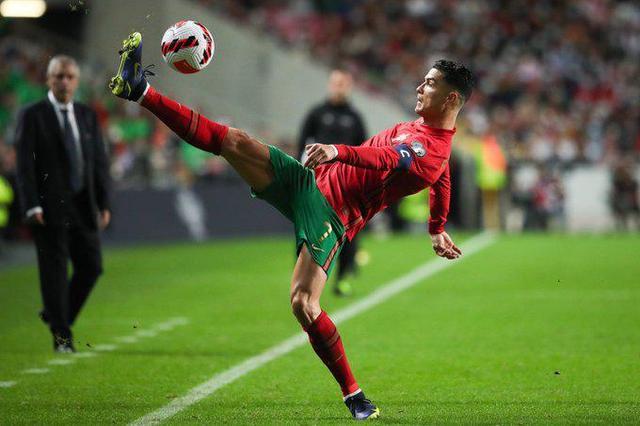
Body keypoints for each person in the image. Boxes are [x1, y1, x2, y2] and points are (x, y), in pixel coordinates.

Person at [110, 32, 474, 420]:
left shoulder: (429, 150)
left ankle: (354, 395)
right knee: (234, 141)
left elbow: (390, 159)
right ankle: (140, 90)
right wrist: (436, 226)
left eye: (430, 83)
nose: (420, 87)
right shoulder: (429, 138)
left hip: (331, 215)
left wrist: (337, 150)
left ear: (450, 99)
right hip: (309, 183)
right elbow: (442, 177)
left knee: (303, 303)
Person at [15, 55, 111, 353]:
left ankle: (56, 314)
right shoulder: (32, 115)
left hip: (82, 204)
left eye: (69, 77)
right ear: (48, 79)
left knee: (92, 267)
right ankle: (61, 336)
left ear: (77, 82)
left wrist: (104, 203)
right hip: (48, 207)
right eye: (59, 76)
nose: (64, 82)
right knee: (54, 271)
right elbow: (24, 165)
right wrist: (32, 205)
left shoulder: (86, 115)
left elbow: (98, 162)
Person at [298, 69, 367, 296]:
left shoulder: (355, 117)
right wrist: (301, 174)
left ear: (349, 87)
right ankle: (304, 278)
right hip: (319, 184)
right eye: (336, 83)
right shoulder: (317, 114)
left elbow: (364, 151)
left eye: (343, 83)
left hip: (347, 185)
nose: (339, 87)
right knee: (310, 230)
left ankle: (343, 279)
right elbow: (301, 144)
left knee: (348, 232)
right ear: (330, 85)